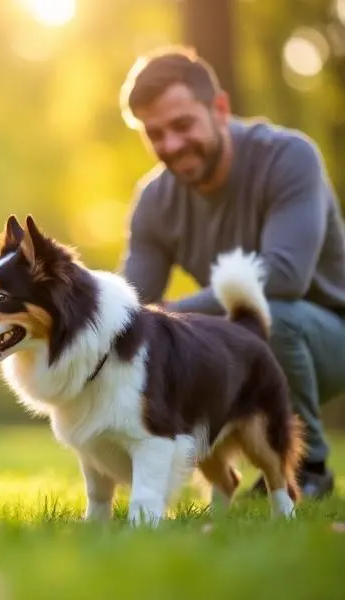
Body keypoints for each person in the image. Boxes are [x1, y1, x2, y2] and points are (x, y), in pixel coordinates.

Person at [118, 46, 345, 499]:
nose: (171, 145)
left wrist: (170, 315)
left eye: (182, 125)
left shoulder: (289, 157)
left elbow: (284, 276)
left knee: (269, 314)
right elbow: (131, 306)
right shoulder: (154, 201)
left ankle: (310, 469)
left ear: (219, 108)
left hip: (327, 336)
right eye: (155, 133)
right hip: (240, 342)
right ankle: (218, 477)